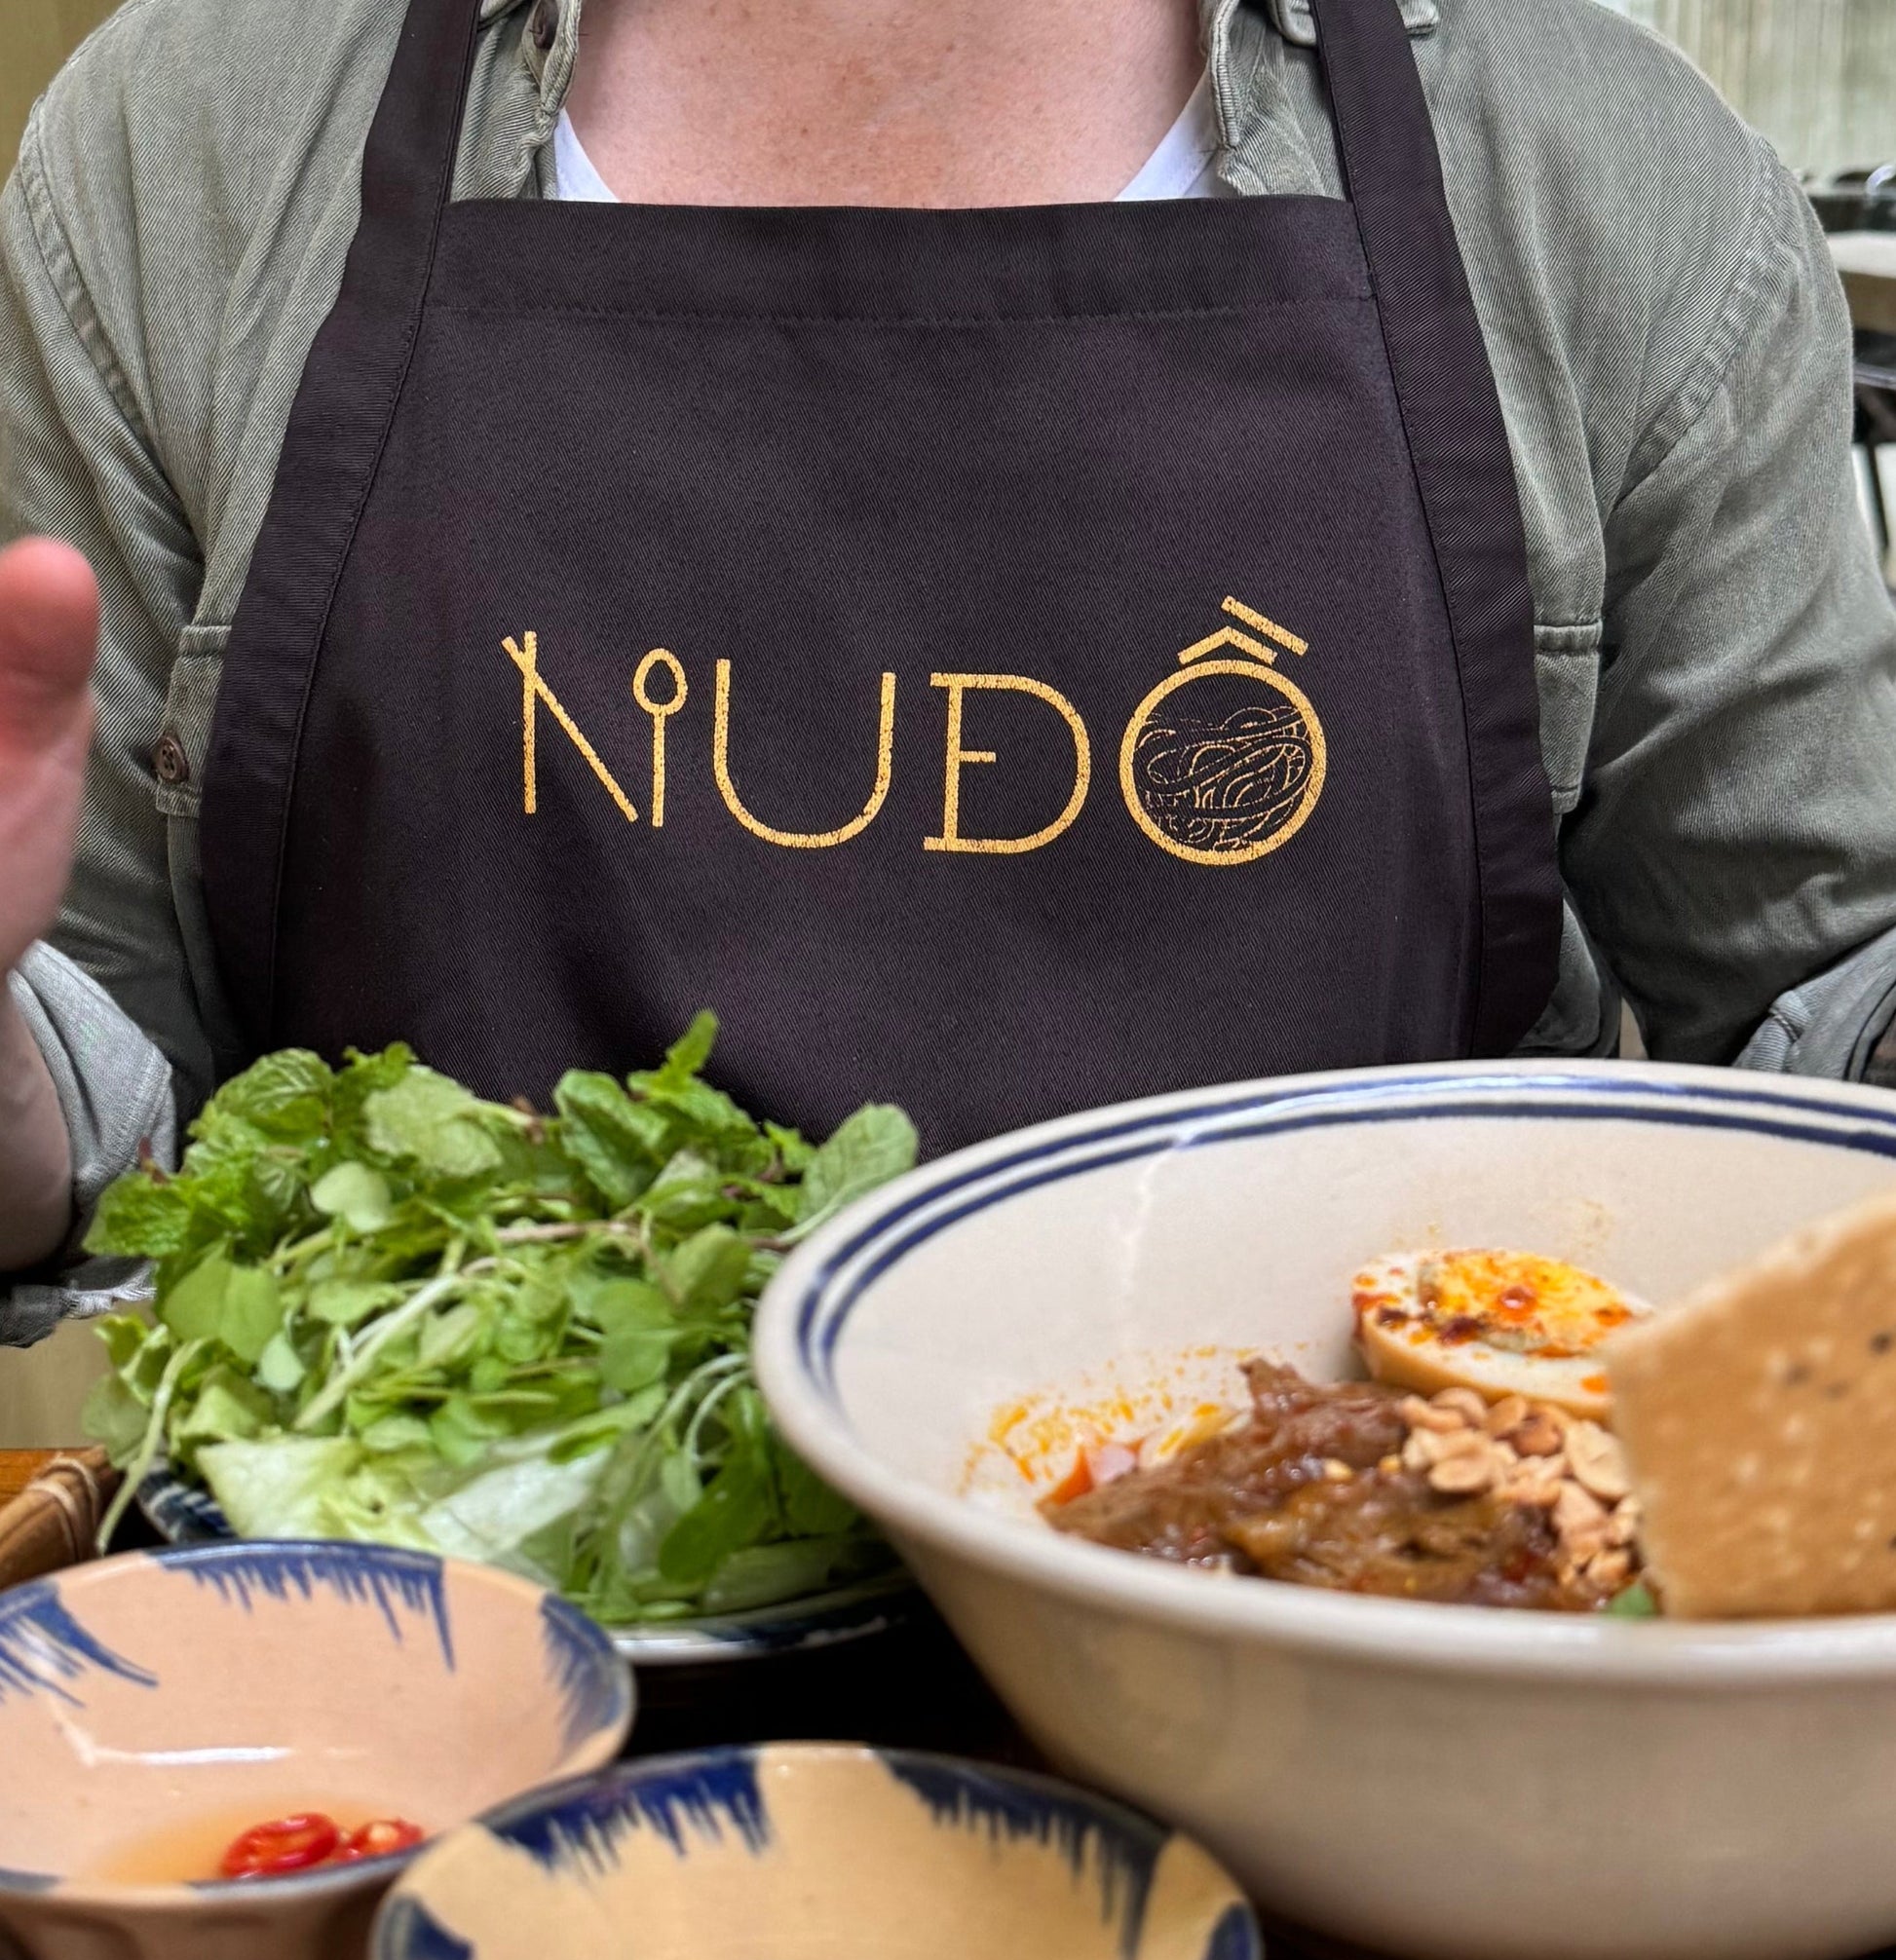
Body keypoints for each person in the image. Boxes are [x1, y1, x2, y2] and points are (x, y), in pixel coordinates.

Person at [4, 0, 1896, 1346]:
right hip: (410, 1695)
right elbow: (114, 1135)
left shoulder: (1601, 184)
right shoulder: (185, 150)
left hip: (1360, 1688)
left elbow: (1819, 1025)